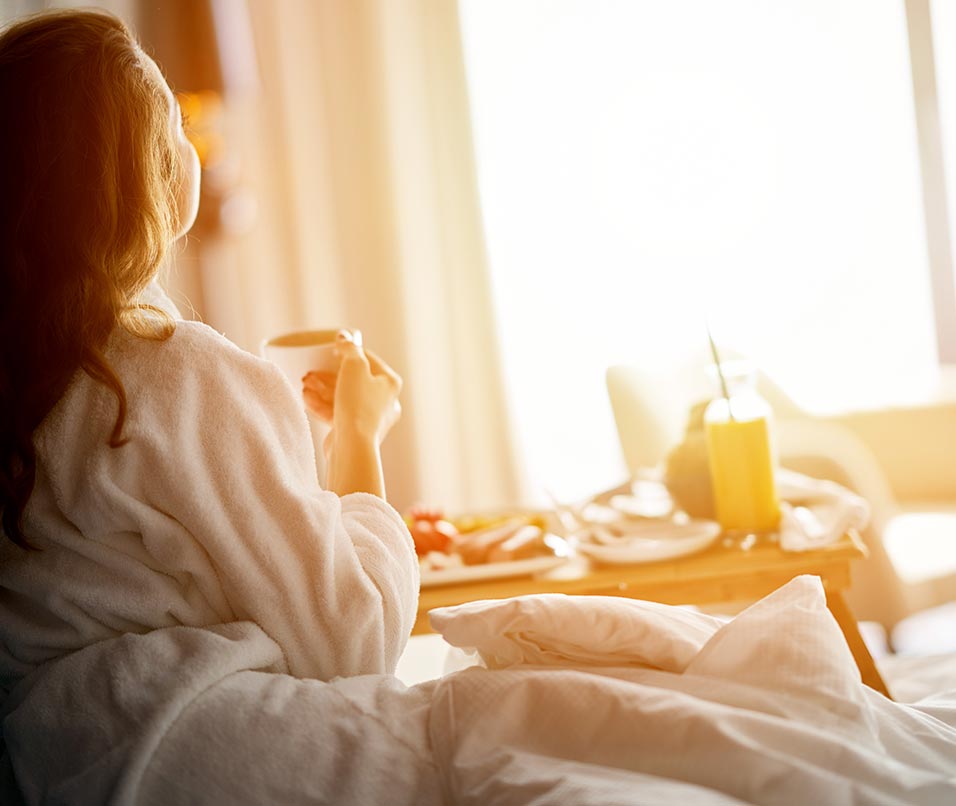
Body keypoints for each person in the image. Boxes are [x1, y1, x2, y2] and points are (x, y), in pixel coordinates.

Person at [0, 3, 418, 721]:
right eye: (176, 127)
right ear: (137, 182)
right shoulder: (173, 374)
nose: (192, 149)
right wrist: (358, 437)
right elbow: (356, 642)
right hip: (196, 749)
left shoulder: (30, 381)